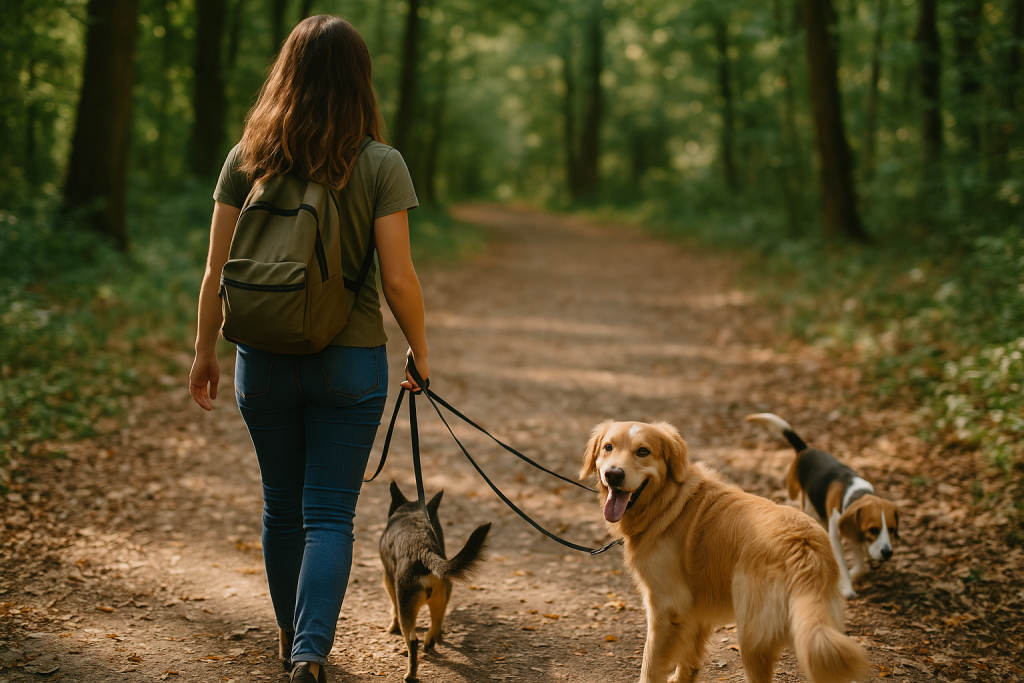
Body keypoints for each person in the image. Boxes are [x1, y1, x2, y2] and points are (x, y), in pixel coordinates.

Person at [188, 15, 429, 683]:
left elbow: (215, 272)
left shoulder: (246, 157)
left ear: (284, 77)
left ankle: (292, 638)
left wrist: (205, 350)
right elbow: (399, 277)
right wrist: (421, 351)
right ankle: (310, 654)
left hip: (259, 358)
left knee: (280, 504)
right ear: (360, 81)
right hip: (346, 360)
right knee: (327, 514)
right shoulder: (380, 163)